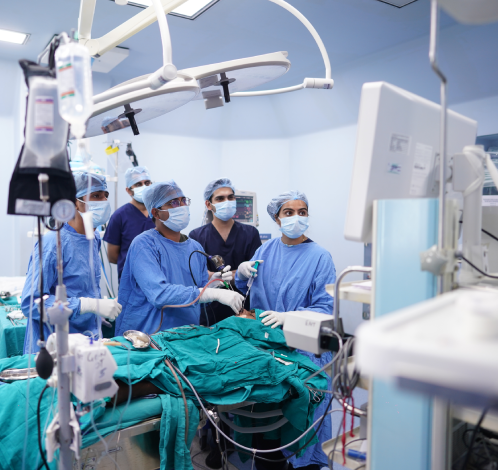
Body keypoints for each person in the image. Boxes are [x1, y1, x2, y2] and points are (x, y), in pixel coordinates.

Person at [235, 190, 336, 470]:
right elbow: (246, 288)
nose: (296, 218)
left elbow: (325, 308)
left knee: (303, 422)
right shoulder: (264, 251)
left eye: (302, 212)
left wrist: (287, 317)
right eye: (288, 213)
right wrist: (240, 273)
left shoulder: (320, 256)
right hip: (267, 348)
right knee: (269, 426)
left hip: (303, 350)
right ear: (276, 219)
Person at [114, 180, 245, 337]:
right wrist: (211, 294)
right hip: (147, 337)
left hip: (186, 335)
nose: (182, 206)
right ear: (156, 213)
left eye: (184, 200)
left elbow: (198, 295)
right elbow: (159, 295)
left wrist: (213, 284)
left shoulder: (195, 247)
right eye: (174, 203)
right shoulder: (144, 245)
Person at [21, 172, 123, 354]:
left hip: (87, 343)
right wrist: (86, 306)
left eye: (105, 196)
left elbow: (80, 287)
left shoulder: (93, 239)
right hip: (55, 348)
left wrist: (95, 313)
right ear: (75, 202)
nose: (104, 201)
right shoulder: (53, 243)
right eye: (96, 196)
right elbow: (31, 304)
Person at [189, 178, 262, 327]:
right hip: (209, 310)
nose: (227, 201)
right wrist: (236, 275)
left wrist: (216, 275)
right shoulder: (196, 236)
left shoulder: (250, 233)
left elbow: (255, 273)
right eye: (220, 198)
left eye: (230, 197)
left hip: (243, 310)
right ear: (209, 204)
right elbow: (197, 277)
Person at [103, 166, 156, 281]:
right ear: (128, 190)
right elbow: (112, 256)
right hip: (130, 281)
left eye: (147, 183)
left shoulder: (158, 213)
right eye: (138, 184)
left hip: (159, 278)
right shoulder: (119, 216)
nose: (144, 187)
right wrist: (135, 266)